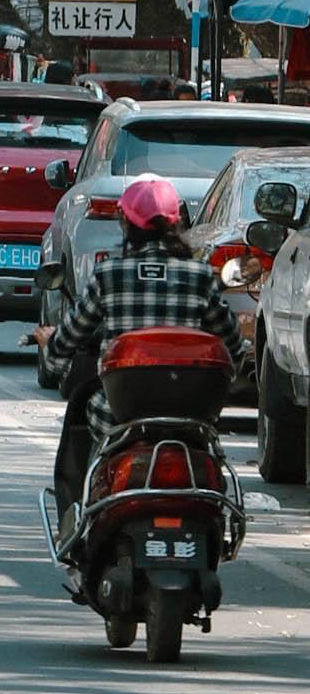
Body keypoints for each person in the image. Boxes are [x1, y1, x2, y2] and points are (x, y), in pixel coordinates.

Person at [49, 172, 248, 527]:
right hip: (193, 415)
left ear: (126, 223)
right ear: (177, 222)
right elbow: (233, 343)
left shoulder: (109, 274)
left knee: (86, 416)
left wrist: (50, 350)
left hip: (119, 412)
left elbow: (67, 339)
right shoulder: (199, 275)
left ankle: (85, 517)